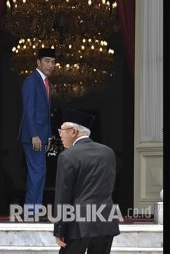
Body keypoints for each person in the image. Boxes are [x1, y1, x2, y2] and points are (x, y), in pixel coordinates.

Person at [53, 108, 120, 254]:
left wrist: (59, 229)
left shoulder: (67, 156)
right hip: (106, 221)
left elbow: (63, 196)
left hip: (78, 224)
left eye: (62, 130)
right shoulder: (108, 152)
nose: (60, 135)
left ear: (74, 131)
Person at [17, 48, 55, 215]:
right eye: (47, 61)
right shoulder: (32, 81)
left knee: (39, 173)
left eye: (53, 62)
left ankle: (33, 211)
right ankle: (31, 213)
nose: (51, 65)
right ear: (38, 62)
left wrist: (48, 138)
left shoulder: (46, 82)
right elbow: (29, 109)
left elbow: (45, 114)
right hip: (33, 136)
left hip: (41, 136)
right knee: (37, 173)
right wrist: (34, 135)